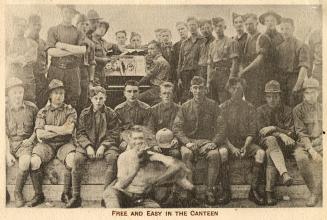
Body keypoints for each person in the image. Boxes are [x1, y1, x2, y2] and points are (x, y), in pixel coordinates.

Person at [102, 126, 193, 208]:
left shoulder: (152, 156)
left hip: (140, 197)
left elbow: (177, 165)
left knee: (155, 209)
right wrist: (136, 168)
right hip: (121, 194)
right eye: (135, 138)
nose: (138, 141)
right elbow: (122, 185)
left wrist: (157, 180)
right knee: (111, 198)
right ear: (130, 140)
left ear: (145, 140)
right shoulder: (124, 157)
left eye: (141, 138)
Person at [172, 76, 226, 205]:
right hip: (189, 141)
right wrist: (187, 142)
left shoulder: (213, 105)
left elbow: (222, 127)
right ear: (191, 90)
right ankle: (190, 190)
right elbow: (177, 128)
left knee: (214, 155)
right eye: (195, 88)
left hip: (207, 141)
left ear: (205, 90)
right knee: (186, 154)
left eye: (201, 88)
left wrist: (214, 142)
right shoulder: (184, 107)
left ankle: (209, 190)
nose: (198, 91)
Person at [27, 79, 78, 207]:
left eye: (61, 93)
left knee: (72, 160)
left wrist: (48, 127)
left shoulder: (70, 111)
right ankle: (38, 194)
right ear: (50, 95)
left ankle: (66, 193)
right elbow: (40, 134)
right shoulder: (42, 112)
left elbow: (69, 130)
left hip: (64, 144)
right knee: (34, 162)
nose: (59, 96)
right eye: (55, 93)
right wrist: (61, 130)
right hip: (46, 145)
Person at [217, 77, 265, 205]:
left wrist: (245, 146)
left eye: (239, 88)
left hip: (246, 143)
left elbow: (252, 130)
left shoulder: (250, 107)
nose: (236, 91)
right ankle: (226, 191)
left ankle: (253, 191)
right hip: (229, 143)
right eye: (233, 88)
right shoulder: (222, 107)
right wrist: (232, 148)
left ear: (243, 89)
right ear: (229, 90)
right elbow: (221, 132)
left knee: (260, 153)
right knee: (222, 153)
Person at [70, 86, 121, 208]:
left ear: (105, 98)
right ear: (91, 99)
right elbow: (80, 133)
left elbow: (114, 133)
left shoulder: (111, 114)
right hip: (88, 143)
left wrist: (103, 146)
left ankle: (106, 196)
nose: (98, 101)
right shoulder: (84, 113)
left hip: (107, 144)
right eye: (95, 98)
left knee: (113, 159)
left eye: (101, 98)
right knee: (77, 160)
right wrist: (88, 146)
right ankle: (76, 196)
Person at [257, 80, 295, 206]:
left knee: (270, 153)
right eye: (269, 96)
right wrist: (280, 133)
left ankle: (269, 193)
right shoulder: (260, 110)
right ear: (265, 97)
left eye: (275, 96)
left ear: (280, 96)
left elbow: (291, 134)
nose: (272, 99)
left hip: (282, 147)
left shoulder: (287, 110)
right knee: (271, 141)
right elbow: (262, 132)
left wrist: (274, 128)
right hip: (265, 142)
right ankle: (284, 174)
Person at [5, 77, 39, 207]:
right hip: (8, 143)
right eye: (14, 92)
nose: (18, 95)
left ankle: (17, 192)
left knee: (25, 162)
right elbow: (3, 135)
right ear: (8, 94)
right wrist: (7, 153)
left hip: (25, 144)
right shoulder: (4, 110)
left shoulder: (32, 108)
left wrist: (31, 140)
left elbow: (38, 128)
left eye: (20, 92)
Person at [46, 5, 86, 110]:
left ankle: (71, 124)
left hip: (73, 71)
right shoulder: (53, 30)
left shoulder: (78, 32)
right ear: (62, 12)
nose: (68, 15)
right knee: (54, 96)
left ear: (73, 15)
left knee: (73, 98)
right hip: (56, 69)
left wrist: (62, 46)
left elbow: (82, 51)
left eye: (71, 13)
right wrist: (73, 50)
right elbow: (51, 51)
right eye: (66, 12)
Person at [293, 78, 322, 207]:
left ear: (318, 93)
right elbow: (301, 133)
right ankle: (314, 193)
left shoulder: (323, 107)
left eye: (313, 92)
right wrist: (311, 149)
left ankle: (317, 191)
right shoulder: (297, 110)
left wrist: (320, 141)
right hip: (305, 144)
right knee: (300, 157)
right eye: (307, 93)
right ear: (303, 94)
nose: (310, 96)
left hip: (321, 141)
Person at [239, 13, 272, 107]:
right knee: (250, 103)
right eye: (246, 24)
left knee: (259, 103)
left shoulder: (262, 37)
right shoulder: (248, 39)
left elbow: (259, 59)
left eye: (251, 24)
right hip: (249, 78)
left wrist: (244, 71)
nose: (248, 27)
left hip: (260, 77)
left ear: (256, 23)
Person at [276, 18, 310, 107]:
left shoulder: (301, 45)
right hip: (282, 82)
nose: (284, 31)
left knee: (294, 107)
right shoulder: (279, 47)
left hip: (294, 80)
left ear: (293, 29)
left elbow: (304, 67)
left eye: (287, 28)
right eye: (282, 29)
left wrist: (297, 85)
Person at [114, 80, 154, 151]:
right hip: (126, 138)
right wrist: (123, 141)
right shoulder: (118, 110)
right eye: (129, 91)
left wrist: (142, 141)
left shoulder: (146, 109)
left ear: (139, 92)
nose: (132, 94)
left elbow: (148, 129)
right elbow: (117, 130)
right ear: (124, 93)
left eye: (135, 91)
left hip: (141, 138)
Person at [207, 17, 239, 104]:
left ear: (225, 27)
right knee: (213, 103)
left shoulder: (231, 42)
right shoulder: (212, 45)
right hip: (214, 76)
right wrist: (208, 81)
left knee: (225, 102)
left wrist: (230, 80)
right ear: (213, 28)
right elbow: (210, 65)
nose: (218, 29)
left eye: (220, 26)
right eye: (215, 26)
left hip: (225, 75)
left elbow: (235, 63)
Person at [6, 16, 38, 103]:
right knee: (11, 104)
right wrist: (16, 59)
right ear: (13, 26)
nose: (20, 28)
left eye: (23, 26)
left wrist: (14, 58)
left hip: (27, 80)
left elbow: (32, 58)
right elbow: (5, 59)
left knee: (30, 103)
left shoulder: (32, 43)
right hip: (12, 77)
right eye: (18, 25)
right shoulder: (7, 42)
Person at [177, 17, 205, 103]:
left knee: (199, 97)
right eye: (190, 25)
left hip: (197, 73)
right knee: (185, 98)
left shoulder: (203, 40)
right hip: (185, 74)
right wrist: (179, 77)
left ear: (198, 26)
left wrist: (202, 76)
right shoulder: (184, 43)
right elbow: (180, 62)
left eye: (193, 24)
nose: (192, 27)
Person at [151, 82, 181, 158]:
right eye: (164, 93)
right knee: (153, 155)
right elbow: (150, 129)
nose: (167, 96)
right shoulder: (153, 110)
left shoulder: (179, 110)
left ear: (173, 95)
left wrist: (176, 139)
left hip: (173, 144)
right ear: (160, 95)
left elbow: (181, 128)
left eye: (169, 93)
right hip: (157, 143)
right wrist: (154, 144)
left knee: (176, 154)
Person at [75, 13, 96, 114]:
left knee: (83, 100)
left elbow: (92, 63)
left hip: (84, 74)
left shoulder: (90, 43)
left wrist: (91, 81)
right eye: (82, 24)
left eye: (87, 24)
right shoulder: (71, 40)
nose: (84, 27)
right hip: (71, 71)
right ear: (76, 25)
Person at [139, 40, 171, 106]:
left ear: (158, 50)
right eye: (148, 49)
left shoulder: (158, 61)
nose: (149, 51)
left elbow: (148, 75)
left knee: (136, 98)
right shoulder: (159, 60)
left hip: (157, 89)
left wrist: (137, 84)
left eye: (152, 49)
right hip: (158, 88)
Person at [27, 14, 48, 108]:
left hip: (41, 79)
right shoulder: (25, 41)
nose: (37, 27)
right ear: (29, 25)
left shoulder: (43, 43)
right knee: (30, 105)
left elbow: (46, 60)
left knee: (42, 104)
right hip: (30, 79)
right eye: (34, 24)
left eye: (39, 25)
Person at [92, 21, 121, 86]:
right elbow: (88, 57)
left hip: (102, 72)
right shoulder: (90, 41)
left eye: (104, 28)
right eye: (100, 27)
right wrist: (103, 60)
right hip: (93, 72)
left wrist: (116, 48)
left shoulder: (104, 42)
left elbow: (113, 45)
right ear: (94, 28)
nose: (102, 29)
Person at [258, 10, 284, 81]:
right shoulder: (262, 37)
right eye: (267, 21)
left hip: (280, 70)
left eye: (272, 20)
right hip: (266, 70)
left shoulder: (281, 36)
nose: (270, 23)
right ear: (264, 23)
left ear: (276, 22)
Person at [173, 22, 188, 100]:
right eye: (179, 30)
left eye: (182, 29)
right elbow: (176, 63)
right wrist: (178, 77)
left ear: (187, 29)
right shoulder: (176, 46)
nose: (181, 31)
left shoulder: (194, 43)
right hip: (181, 75)